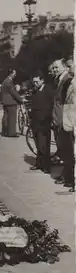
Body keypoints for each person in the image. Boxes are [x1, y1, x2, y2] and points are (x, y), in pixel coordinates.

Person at [48, 59, 73, 185]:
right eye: (54, 68)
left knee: (66, 149)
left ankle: (68, 177)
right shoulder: (58, 80)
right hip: (58, 119)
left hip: (64, 120)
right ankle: (66, 175)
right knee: (63, 149)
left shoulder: (67, 80)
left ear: (64, 67)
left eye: (57, 67)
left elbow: (66, 103)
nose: (55, 70)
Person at [29, 71, 54, 174]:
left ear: (42, 80)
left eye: (37, 82)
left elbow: (52, 105)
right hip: (35, 122)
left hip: (44, 121)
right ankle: (39, 163)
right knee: (38, 144)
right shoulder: (35, 91)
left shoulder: (48, 90)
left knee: (44, 145)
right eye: (34, 82)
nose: (35, 84)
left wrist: (51, 119)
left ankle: (46, 166)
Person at [62, 60, 75, 191]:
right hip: (70, 121)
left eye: (70, 65)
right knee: (70, 151)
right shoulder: (71, 81)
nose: (67, 68)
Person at [0, 68, 24, 137]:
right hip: (11, 102)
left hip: (5, 102)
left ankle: (5, 131)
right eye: (14, 73)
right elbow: (13, 93)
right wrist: (21, 100)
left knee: (6, 117)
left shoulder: (5, 81)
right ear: (11, 74)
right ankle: (11, 133)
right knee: (12, 118)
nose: (15, 75)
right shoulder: (9, 82)